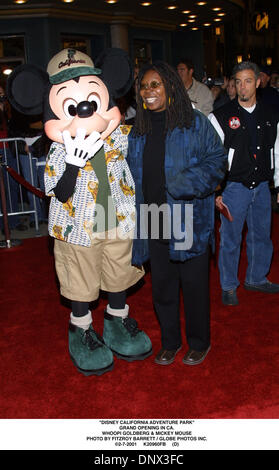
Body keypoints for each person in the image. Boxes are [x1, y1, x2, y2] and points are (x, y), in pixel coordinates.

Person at [7, 48, 152, 376]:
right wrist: (73, 163)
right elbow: (59, 192)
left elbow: (146, 145)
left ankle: (116, 321)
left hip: (116, 218)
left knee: (118, 273)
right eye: (71, 107)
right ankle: (81, 329)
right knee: (81, 279)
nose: (85, 112)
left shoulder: (118, 138)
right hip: (77, 225)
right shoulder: (59, 150)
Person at [127, 61, 227, 366]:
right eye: (144, 86)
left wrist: (183, 183)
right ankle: (170, 341)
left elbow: (217, 164)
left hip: (188, 218)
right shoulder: (138, 131)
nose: (148, 91)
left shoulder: (195, 122)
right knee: (164, 288)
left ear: (170, 86)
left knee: (194, 287)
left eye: (155, 84)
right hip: (154, 216)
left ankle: (199, 342)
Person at [208, 61, 279, 306]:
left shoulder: (271, 114)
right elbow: (211, 158)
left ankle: (256, 277)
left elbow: (277, 151)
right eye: (237, 82)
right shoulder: (219, 117)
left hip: (262, 187)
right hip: (233, 188)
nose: (242, 87)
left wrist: (277, 185)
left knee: (261, 235)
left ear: (258, 82)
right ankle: (228, 285)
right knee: (230, 239)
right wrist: (214, 191)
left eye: (248, 81)